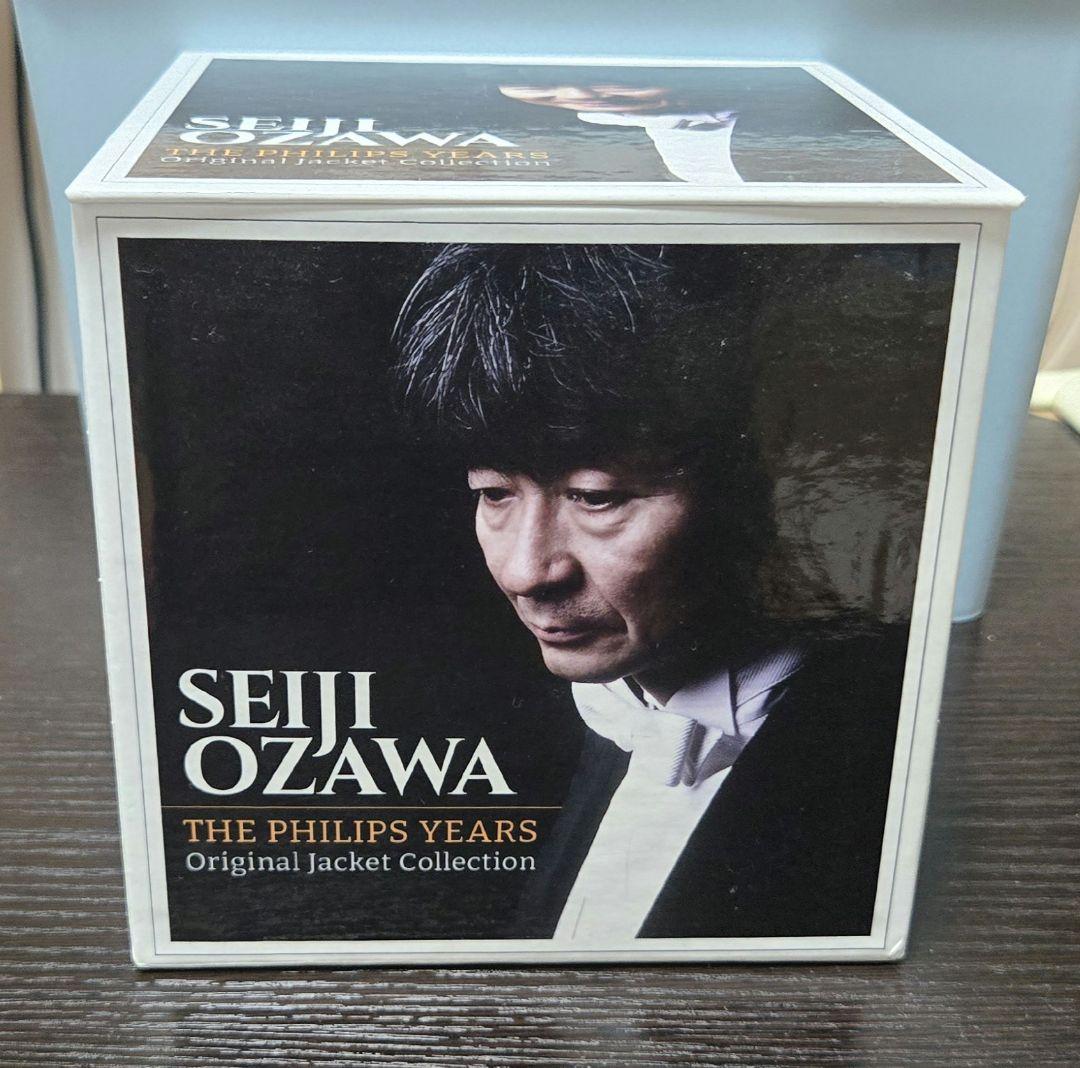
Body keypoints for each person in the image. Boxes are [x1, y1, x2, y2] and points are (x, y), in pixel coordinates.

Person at [392, 243, 903, 941]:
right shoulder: (520, 745)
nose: (524, 572)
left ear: (757, 487)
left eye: (596, 497)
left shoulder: (877, 763)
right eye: (494, 492)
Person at [498, 82, 743, 184]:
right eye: (548, 97)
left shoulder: (687, 161)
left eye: (595, 79)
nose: (581, 96)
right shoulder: (687, 161)